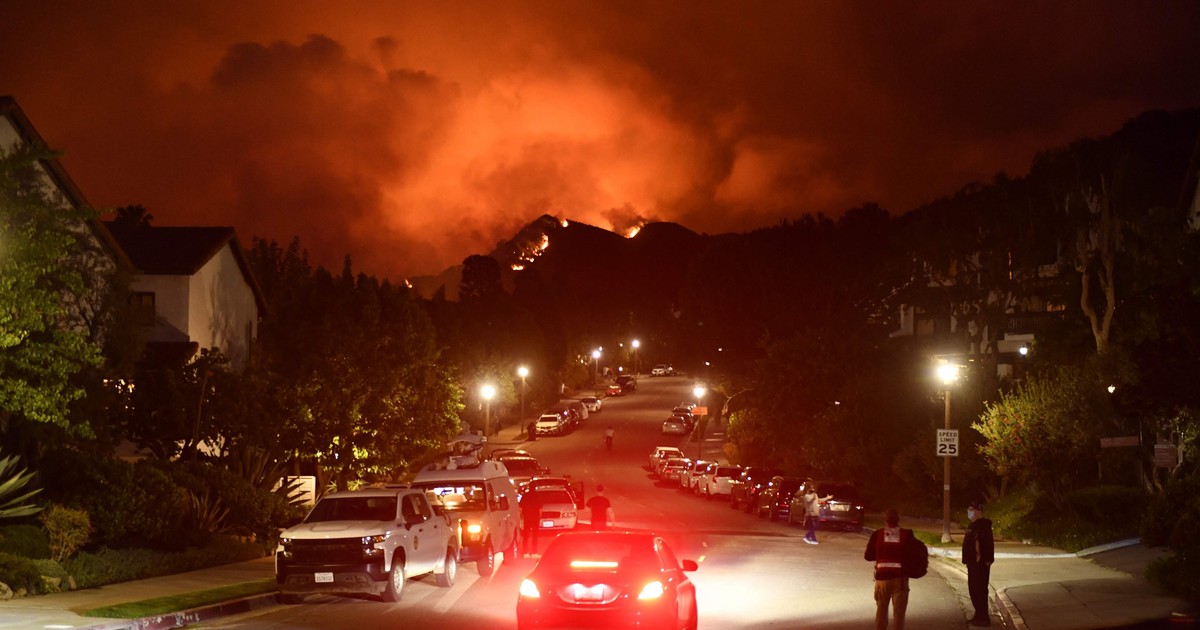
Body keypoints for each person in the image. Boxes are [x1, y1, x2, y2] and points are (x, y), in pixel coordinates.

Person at [864, 508, 909, 630]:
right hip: (900, 580)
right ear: (898, 520)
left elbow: (868, 556)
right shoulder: (906, 534)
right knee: (899, 614)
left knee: (881, 611)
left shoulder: (877, 534)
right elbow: (912, 556)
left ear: (885, 520)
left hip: (882, 579)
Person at [962, 501, 995, 626]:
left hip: (979, 564)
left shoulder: (982, 526)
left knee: (979, 590)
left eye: (971, 509)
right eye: (969, 509)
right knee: (974, 590)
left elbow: (986, 545)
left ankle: (983, 618)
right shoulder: (973, 525)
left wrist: (984, 560)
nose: (969, 511)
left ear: (979, 512)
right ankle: (978, 615)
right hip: (972, 563)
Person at [519, 491, 544, 557]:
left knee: (526, 535)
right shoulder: (537, 496)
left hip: (527, 518)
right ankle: (534, 552)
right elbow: (540, 509)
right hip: (535, 518)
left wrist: (521, 516)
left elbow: (520, 508)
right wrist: (540, 517)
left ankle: (525, 552)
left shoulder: (525, 496)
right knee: (535, 535)